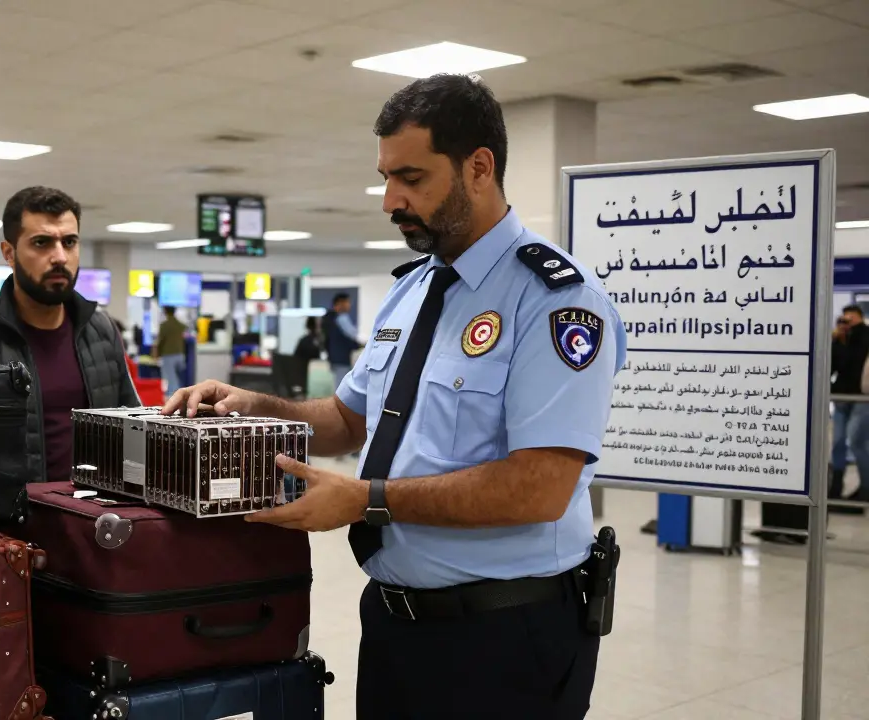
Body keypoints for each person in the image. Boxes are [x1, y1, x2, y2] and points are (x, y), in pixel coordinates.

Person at [164, 73, 625, 719]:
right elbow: (351, 420)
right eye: (386, 176)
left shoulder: (554, 300)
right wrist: (260, 407)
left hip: (505, 635)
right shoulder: (414, 290)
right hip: (395, 624)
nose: (389, 200)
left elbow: (540, 487)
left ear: (479, 169)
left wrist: (365, 499)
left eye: (411, 177)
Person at [0, 186, 139, 484]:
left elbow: (135, 426)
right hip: (11, 522)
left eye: (69, 242)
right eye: (42, 243)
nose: (59, 256)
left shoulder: (100, 330)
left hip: (93, 517)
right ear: (9, 253)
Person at [833, 305, 869, 507]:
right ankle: (835, 486)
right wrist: (838, 340)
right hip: (841, 395)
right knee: (837, 442)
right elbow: (835, 365)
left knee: (857, 440)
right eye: (844, 319)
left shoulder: (865, 336)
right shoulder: (841, 339)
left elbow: (858, 359)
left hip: (863, 396)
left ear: (860, 318)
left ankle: (866, 488)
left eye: (851, 319)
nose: (847, 323)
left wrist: (855, 332)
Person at [321, 293, 360, 389]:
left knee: (340, 384)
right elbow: (352, 335)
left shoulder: (328, 319)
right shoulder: (341, 318)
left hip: (334, 357)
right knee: (342, 386)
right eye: (347, 302)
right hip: (341, 357)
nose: (349, 305)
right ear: (340, 303)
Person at [154, 306, 188, 399]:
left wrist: (156, 353)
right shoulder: (180, 325)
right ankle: (180, 394)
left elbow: (160, 341)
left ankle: (174, 397)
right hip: (180, 354)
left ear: (165, 312)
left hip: (168, 354)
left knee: (170, 377)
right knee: (177, 377)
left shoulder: (164, 325)